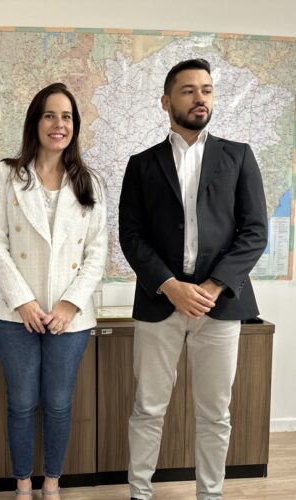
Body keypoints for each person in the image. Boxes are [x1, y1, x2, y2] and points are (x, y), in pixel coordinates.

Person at [119, 58, 268, 500]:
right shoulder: (142, 164)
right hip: (159, 300)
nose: (200, 97)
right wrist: (170, 285)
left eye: (206, 89)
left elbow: (255, 230)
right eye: (188, 90)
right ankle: (139, 493)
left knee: (215, 413)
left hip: (220, 306)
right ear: (166, 102)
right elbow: (131, 235)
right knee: (147, 407)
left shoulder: (237, 156)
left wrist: (212, 287)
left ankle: (211, 494)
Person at [0, 82, 107, 499]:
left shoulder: (90, 182)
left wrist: (69, 305)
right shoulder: (7, 173)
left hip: (68, 317)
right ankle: (21, 485)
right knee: (20, 402)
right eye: (50, 115)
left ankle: (51, 483)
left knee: (57, 403)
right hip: (14, 312)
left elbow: (97, 251)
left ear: (75, 125)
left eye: (66, 116)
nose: (58, 124)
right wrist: (25, 302)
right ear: (35, 122)